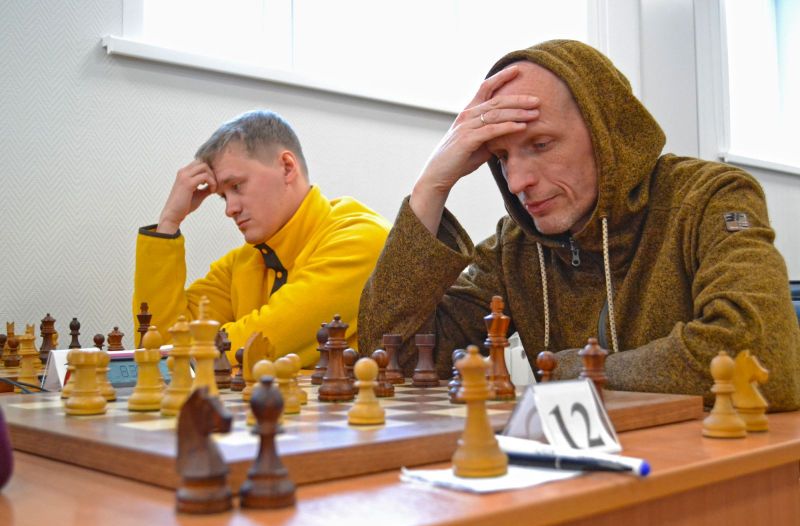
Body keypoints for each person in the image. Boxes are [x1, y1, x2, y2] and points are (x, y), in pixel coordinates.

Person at [358, 40, 800, 410]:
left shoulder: (709, 198)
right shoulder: (515, 248)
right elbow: (390, 361)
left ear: (607, 134)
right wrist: (431, 187)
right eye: (503, 157)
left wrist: (572, 369)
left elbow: (762, 357)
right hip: (579, 475)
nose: (517, 181)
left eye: (541, 144)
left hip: (710, 472)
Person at [133, 110, 390, 368]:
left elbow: (269, 341)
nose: (230, 209)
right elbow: (157, 350)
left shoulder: (359, 240)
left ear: (287, 167)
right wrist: (168, 223)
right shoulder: (240, 264)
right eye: (223, 196)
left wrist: (184, 350)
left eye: (237, 186)